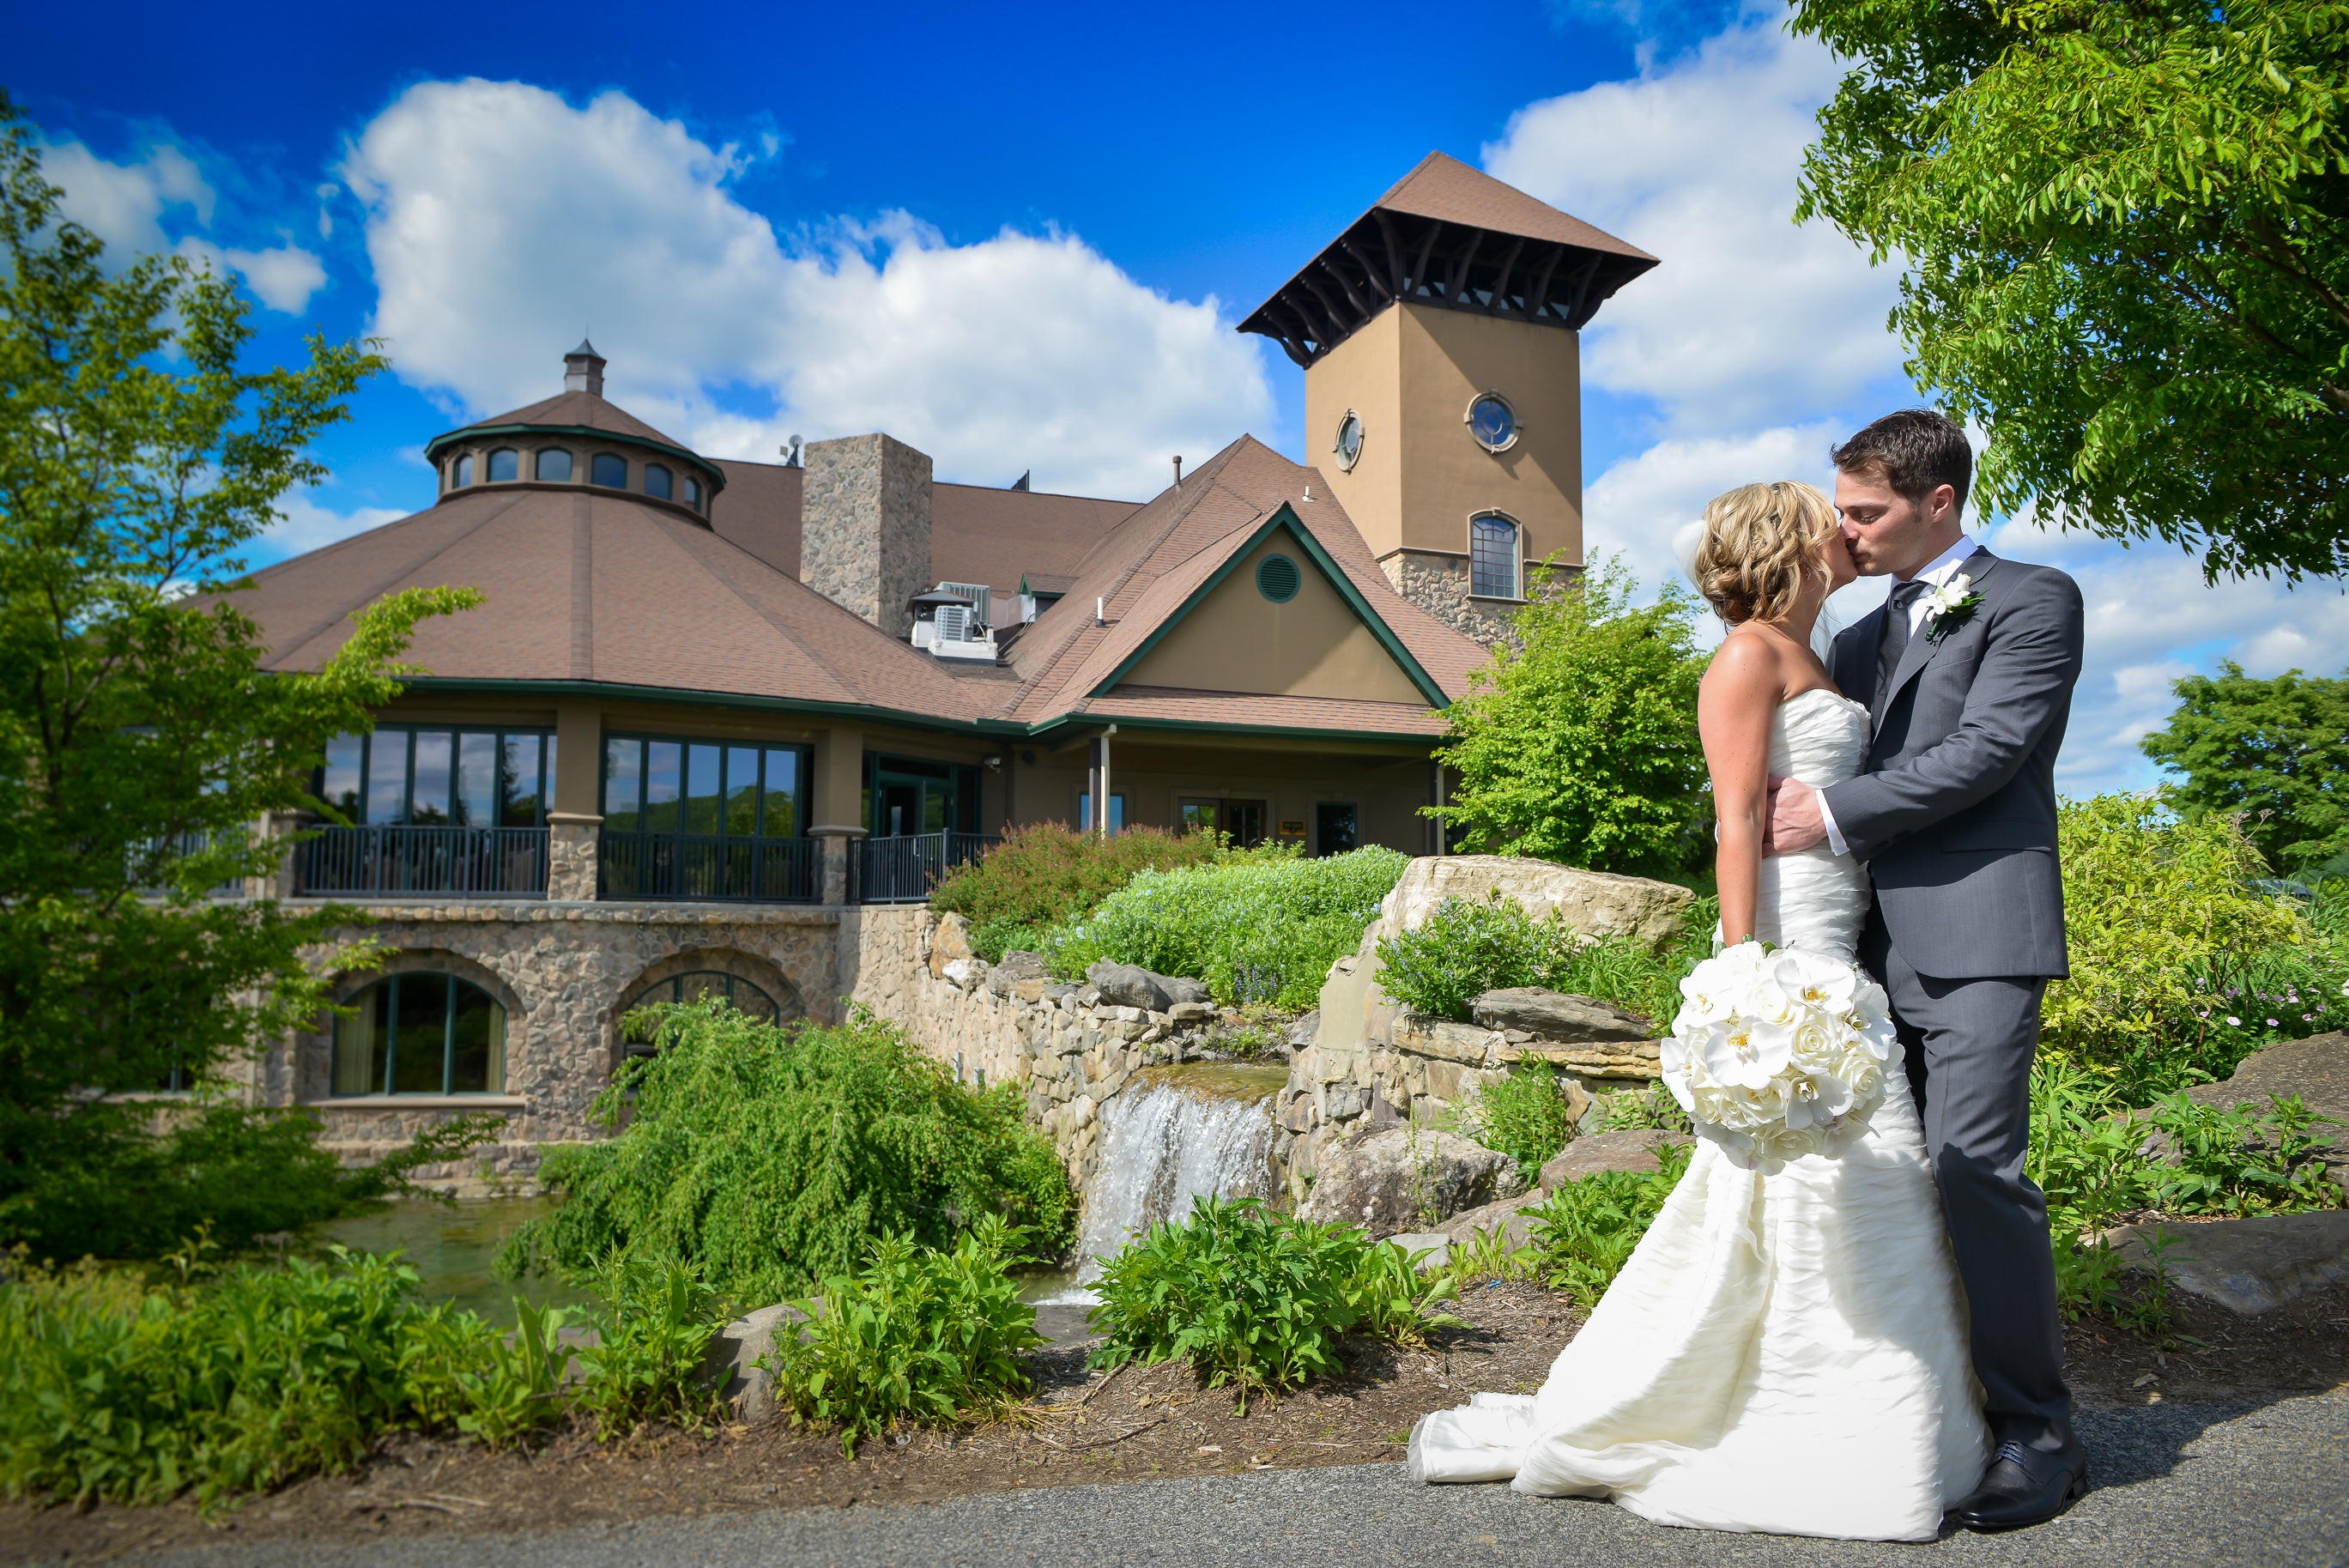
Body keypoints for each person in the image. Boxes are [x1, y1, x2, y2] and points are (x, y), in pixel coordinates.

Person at [1408, 477, 1991, 1541]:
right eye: (1833, 518)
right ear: (1792, 540)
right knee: (1801, 1186)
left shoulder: (1828, 651)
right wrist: (1742, 976)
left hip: (1843, 947)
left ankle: (1887, 1418)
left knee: (1870, 1188)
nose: (1848, 530)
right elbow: (1733, 823)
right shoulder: (1744, 657)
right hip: (1786, 954)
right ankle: (1785, 1421)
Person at [1766, 409, 2087, 1529]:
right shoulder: (1853, 635)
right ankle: (1921, 1410)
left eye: (1864, 512)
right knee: (1878, 1177)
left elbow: (1992, 748)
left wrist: (1828, 808)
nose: (1845, 532)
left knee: (1973, 1170)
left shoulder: (2032, 597)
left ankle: (2038, 1432)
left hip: (1979, 931)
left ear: (1937, 501)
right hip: (1855, 948)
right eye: (1839, 512)